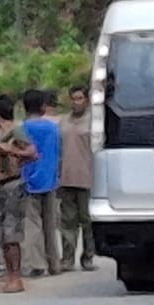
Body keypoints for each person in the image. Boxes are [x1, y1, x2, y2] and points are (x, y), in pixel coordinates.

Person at [0, 95, 36, 292]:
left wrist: (12, 152)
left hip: (13, 185)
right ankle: (10, 276)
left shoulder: (16, 131)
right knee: (2, 234)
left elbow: (32, 153)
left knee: (11, 233)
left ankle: (15, 277)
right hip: (0, 186)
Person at [21, 88, 63, 276]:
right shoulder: (53, 128)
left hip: (29, 180)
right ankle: (54, 263)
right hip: (50, 179)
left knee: (33, 223)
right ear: (43, 106)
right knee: (50, 224)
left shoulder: (22, 128)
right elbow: (59, 152)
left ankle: (37, 264)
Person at [58, 84, 97, 271]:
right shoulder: (63, 122)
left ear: (86, 100)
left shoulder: (93, 122)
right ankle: (67, 259)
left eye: (80, 98)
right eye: (73, 99)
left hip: (87, 178)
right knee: (67, 222)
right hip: (66, 178)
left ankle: (88, 257)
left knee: (87, 221)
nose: (76, 102)